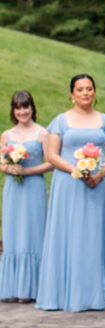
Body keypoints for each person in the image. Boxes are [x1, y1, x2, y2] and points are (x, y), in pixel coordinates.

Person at [36, 74, 105, 312]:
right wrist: (76, 170)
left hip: (100, 183)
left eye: (89, 89)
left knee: (97, 233)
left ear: (94, 92)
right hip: (69, 184)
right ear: (72, 94)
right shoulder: (60, 121)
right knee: (69, 232)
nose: (85, 93)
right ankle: (66, 292)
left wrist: (100, 173)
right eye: (80, 89)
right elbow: (52, 155)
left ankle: (100, 293)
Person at [0, 91, 52, 302]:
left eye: (26, 107)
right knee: (13, 233)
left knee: (32, 231)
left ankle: (32, 288)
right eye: (18, 107)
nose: (22, 111)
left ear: (32, 108)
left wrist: (27, 172)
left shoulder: (42, 134)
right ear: (13, 111)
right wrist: (9, 168)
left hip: (34, 188)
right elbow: (1, 162)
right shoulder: (7, 135)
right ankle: (12, 287)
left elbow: (51, 163)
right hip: (14, 189)